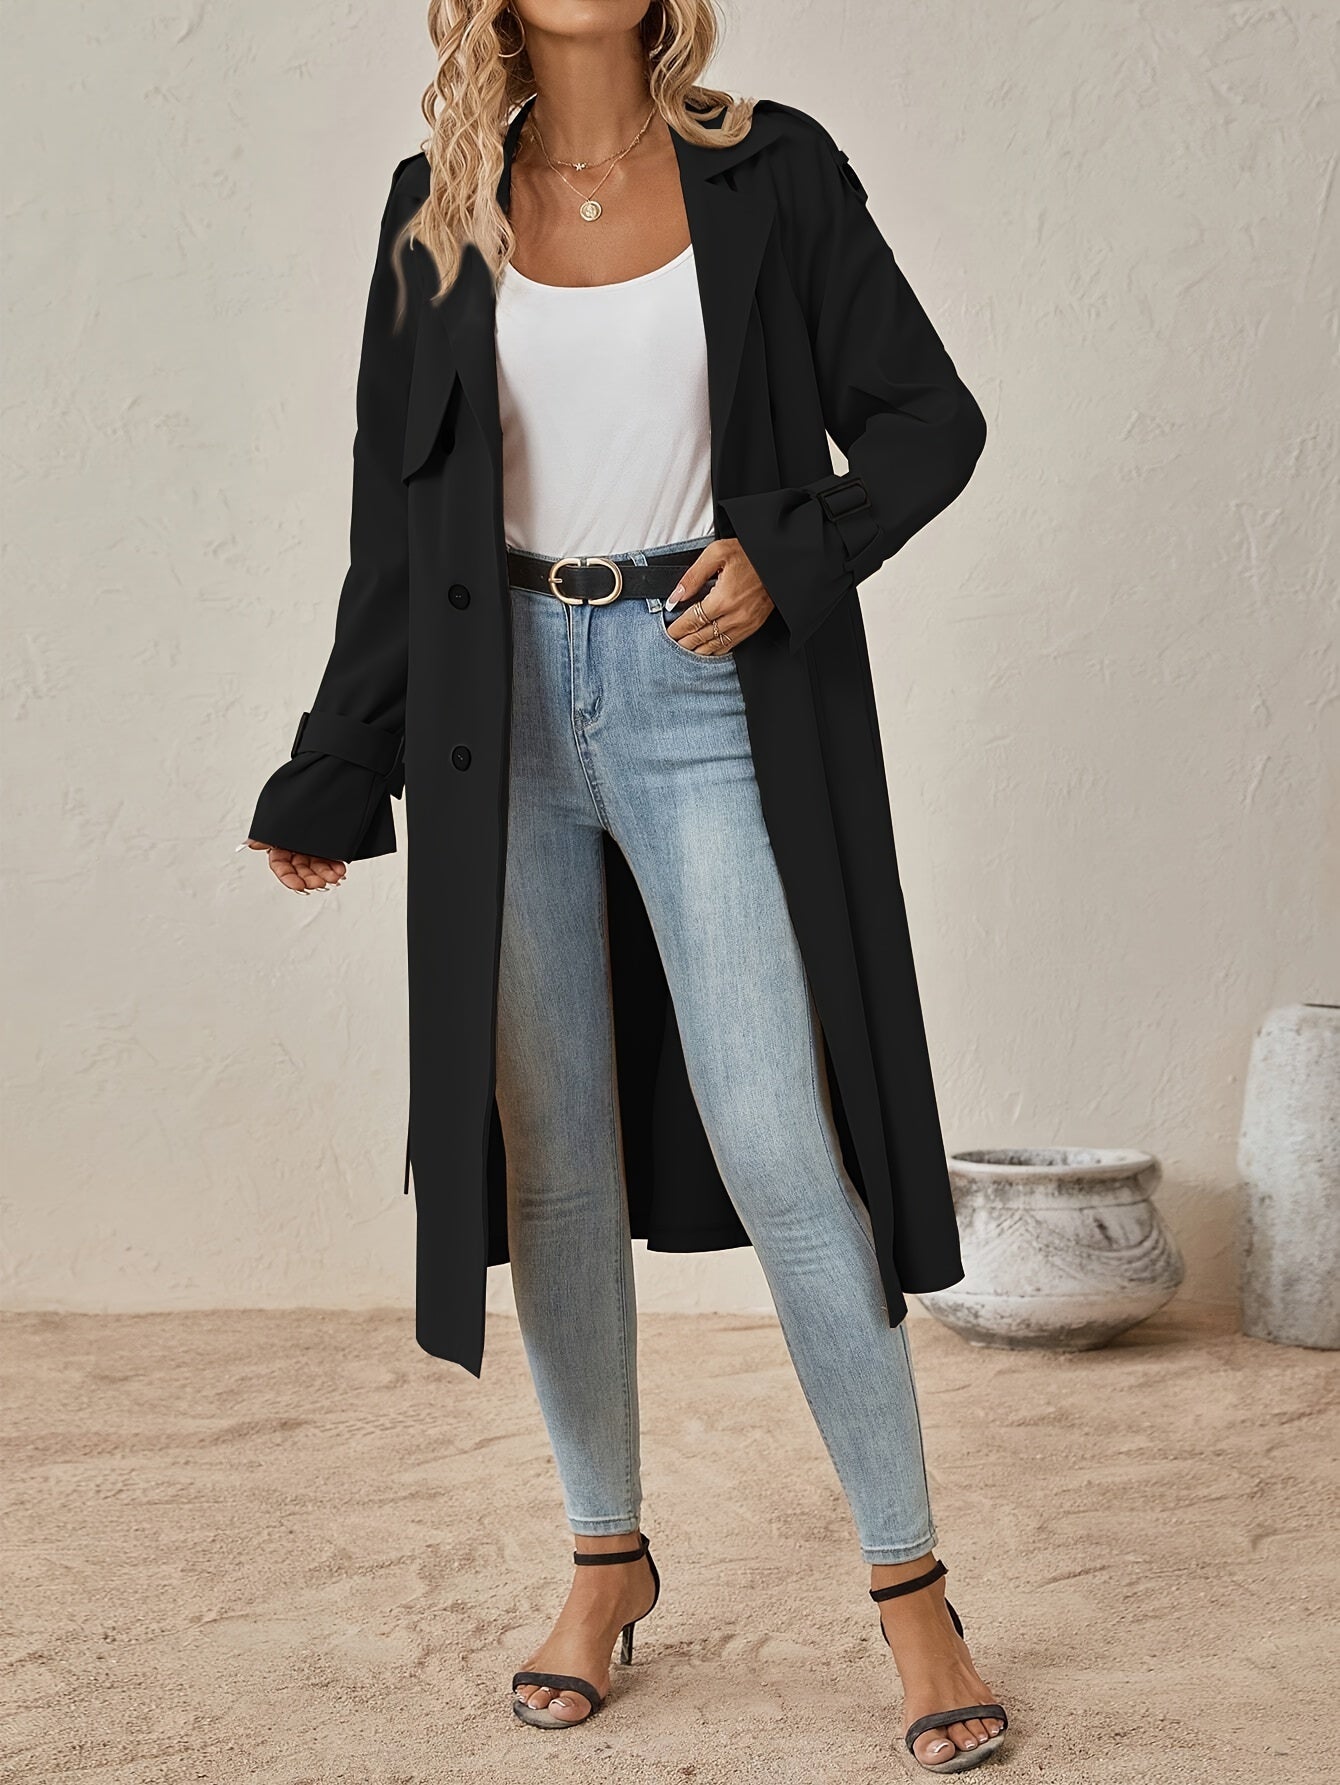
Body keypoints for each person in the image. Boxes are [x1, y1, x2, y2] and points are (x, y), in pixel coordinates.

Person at [243, 2, 1004, 1771]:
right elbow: (395, 524)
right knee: (553, 1161)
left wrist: (792, 553)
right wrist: (337, 763)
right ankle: (607, 1558)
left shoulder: (771, 171)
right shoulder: (438, 205)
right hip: (493, 710)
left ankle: (912, 1587)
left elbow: (929, 421)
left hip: (700, 684)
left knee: (783, 1138)